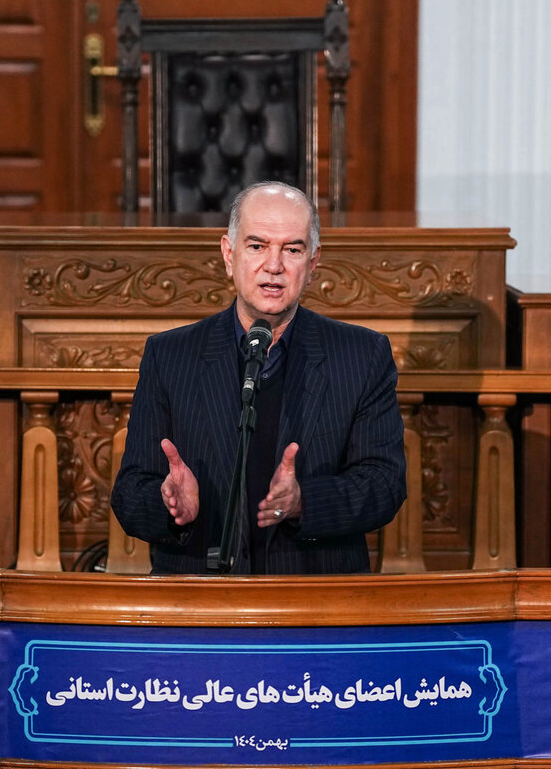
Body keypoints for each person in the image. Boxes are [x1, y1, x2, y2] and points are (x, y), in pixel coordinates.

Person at [109, 181, 407, 574]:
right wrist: (170, 507)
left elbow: (385, 484)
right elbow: (130, 493)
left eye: (292, 249)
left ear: (313, 262)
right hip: (201, 593)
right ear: (228, 254)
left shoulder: (362, 355)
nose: (274, 265)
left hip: (316, 593)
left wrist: (304, 501)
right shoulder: (170, 356)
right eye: (257, 246)